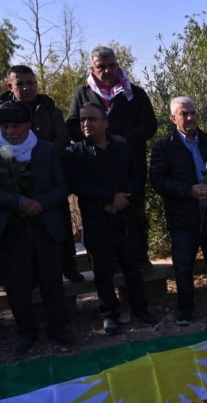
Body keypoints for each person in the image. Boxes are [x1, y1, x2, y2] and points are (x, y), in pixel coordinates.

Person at [0, 100, 75, 355]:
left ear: (28, 125)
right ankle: (26, 330)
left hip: (45, 223)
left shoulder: (46, 150)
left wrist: (39, 204)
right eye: (5, 126)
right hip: (9, 227)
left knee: (51, 279)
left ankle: (58, 326)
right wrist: (18, 202)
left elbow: (62, 185)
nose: (10, 131)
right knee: (17, 283)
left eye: (16, 126)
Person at [65, 102, 159, 334]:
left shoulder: (122, 148)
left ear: (105, 123)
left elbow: (137, 176)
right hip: (96, 219)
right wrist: (109, 198)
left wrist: (123, 198)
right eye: (82, 119)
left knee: (132, 266)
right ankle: (109, 315)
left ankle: (140, 309)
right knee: (102, 271)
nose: (86, 124)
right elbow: (77, 185)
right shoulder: (75, 152)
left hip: (125, 217)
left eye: (92, 119)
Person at [65, 46, 157, 270]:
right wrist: (97, 138)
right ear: (92, 68)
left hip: (128, 162)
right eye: (101, 67)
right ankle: (106, 262)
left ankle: (139, 257)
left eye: (111, 65)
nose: (107, 70)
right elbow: (72, 125)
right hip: (94, 164)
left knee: (133, 211)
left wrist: (124, 139)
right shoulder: (83, 93)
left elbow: (149, 125)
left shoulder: (135, 93)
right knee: (99, 213)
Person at [149, 97, 207, 326]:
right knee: (183, 267)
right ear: (173, 118)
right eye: (184, 114)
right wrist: (188, 190)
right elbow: (158, 180)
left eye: (193, 113)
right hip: (183, 217)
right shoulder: (163, 146)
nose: (190, 118)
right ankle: (185, 310)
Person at [0, 64, 83, 283]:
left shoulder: (50, 109)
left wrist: (42, 156)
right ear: (10, 86)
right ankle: (33, 272)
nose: (27, 88)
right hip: (17, 177)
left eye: (31, 83)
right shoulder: (1, 112)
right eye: (20, 84)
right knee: (26, 228)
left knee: (60, 222)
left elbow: (62, 138)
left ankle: (69, 265)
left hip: (49, 175)